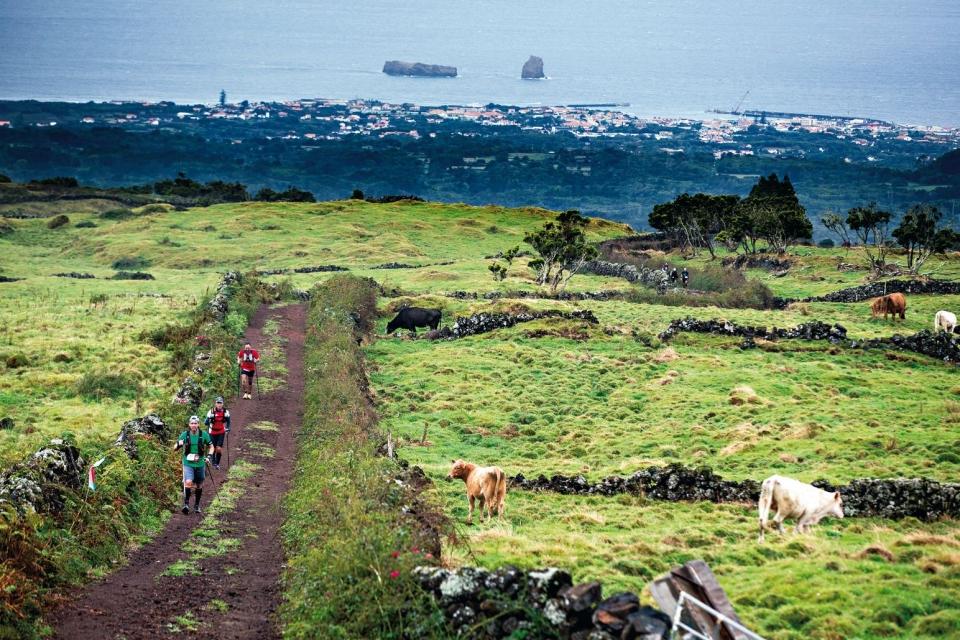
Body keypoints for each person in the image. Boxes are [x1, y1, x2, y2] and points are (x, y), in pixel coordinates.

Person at [175, 415, 213, 514]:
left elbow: (211, 446)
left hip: (200, 463)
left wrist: (209, 456)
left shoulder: (204, 434)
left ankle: (196, 505)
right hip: (188, 463)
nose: (193, 425)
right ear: (189, 424)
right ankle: (186, 505)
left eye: (195, 423)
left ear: (198, 424)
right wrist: (178, 444)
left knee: (199, 484)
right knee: (188, 482)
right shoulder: (184, 435)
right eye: (192, 423)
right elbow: (174, 447)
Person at [204, 396, 231, 470]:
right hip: (212, 432)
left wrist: (228, 428)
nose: (219, 404)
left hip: (221, 432)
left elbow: (228, 421)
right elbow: (205, 423)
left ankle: (217, 463)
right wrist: (209, 419)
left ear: (222, 404)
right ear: (215, 404)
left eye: (220, 403)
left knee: (218, 448)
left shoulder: (225, 412)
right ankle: (213, 461)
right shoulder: (211, 412)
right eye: (218, 403)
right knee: (213, 447)